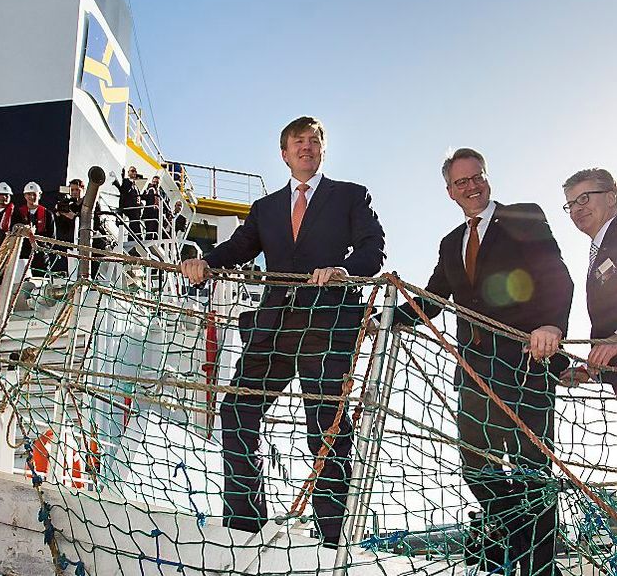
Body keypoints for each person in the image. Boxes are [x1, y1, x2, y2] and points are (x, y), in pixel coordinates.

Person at [179, 116, 386, 546]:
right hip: (271, 327)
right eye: (298, 142)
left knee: (325, 427)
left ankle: (332, 538)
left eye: (314, 141)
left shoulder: (349, 196)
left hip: (325, 325)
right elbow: (237, 249)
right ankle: (245, 524)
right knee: (236, 413)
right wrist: (205, 262)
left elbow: (374, 248)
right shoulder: (266, 208)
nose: (306, 147)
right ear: (284, 153)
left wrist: (343, 270)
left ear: (323, 150)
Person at [391, 148, 573, 576]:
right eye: (461, 182)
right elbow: (433, 298)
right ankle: (522, 541)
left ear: (487, 178)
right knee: (476, 465)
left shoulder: (523, 216)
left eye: (477, 178)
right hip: (474, 369)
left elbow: (554, 273)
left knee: (533, 468)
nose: (471, 187)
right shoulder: (450, 242)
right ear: (449, 192)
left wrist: (551, 325)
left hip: (528, 359)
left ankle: (540, 568)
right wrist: (386, 314)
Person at [560, 168, 617, 389]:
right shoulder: (602, 249)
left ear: (611, 198)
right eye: (571, 204)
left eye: (584, 198)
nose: (576, 209)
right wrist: (591, 372)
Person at [14, 181, 57, 276]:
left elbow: (52, 237)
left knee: (42, 279)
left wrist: (44, 249)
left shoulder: (48, 214)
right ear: (25, 196)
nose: (32, 197)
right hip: (22, 254)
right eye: (29, 194)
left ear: (39, 195)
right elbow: (13, 231)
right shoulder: (18, 214)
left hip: (41, 255)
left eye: (34, 194)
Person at [114, 165, 142, 240]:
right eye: (132, 171)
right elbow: (123, 191)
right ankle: (133, 238)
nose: (134, 173)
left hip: (135, 209)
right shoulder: (126, 181)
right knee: (134, 223)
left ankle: (138, 237)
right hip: (129, 207)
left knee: (136, 223)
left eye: (135, 171)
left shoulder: (135, 186)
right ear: (128, 173)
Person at [141, 175, 161, 240]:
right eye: (154, 181)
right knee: (149, 229)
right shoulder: (150, 189)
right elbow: (145, 197)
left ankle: (152, 240)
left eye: (157, 182)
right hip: (149, 212)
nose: (155, 183)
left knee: (154, 229)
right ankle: (148, 240)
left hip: (155, 214)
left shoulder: (158, 191)